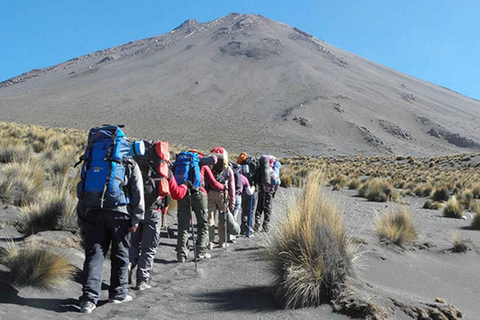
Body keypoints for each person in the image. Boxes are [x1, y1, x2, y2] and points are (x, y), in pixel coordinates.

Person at [77, 157, 144, 314]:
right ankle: (118, 294)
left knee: (94, 256)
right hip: (120, 213)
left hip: (93, 212)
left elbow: (82, 191)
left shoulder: (92, 159)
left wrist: (81, 219)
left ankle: (88, 300)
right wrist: (136, 219)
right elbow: (137, 191)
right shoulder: (128, 162)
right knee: (120, 253)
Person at [170, 154, 224, 262]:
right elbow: (213, 183)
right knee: (202, 223)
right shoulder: (201, 164)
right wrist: (223, 187)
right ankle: (201, 252)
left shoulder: (180, 163)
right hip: (199, 194)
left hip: (183, 193)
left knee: (183, 226)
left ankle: (181, 255)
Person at [128, 194, 168, 291]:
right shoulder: (163, 177)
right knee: (149, 248)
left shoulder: (137, 177)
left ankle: (128, 265)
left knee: (134, 244)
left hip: (136, 211)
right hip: (154, 212)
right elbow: (175, 193)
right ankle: (142, 280)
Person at [207, 147, 235, 249]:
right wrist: (232, 201)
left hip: (210, 194)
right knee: (222, 220)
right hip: (223, 195)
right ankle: (222, 242)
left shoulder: (209, 167)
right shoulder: (228, 169)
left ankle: (210, 243)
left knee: (210, 219)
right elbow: (232, 186)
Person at [228, 172, 254, 243]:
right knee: (233, 217)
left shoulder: (228, 175)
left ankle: (226, 236)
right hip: (237, 197)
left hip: (227, 197)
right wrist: (253, 188)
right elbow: (249, 192)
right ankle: (231, 236)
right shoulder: (243, 178)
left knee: (226, 217)